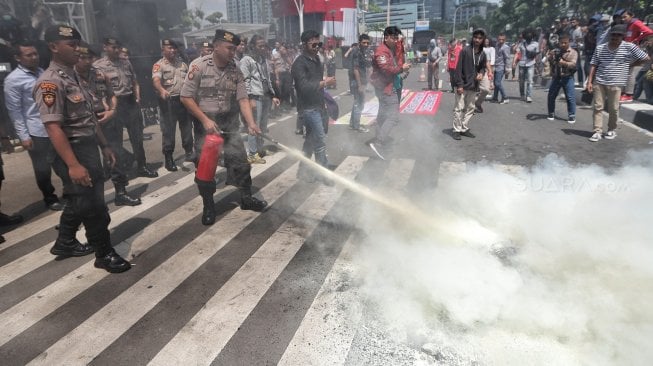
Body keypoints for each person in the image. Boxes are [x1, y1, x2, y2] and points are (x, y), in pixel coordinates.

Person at [33, 25, 130, 272]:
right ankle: (104, 254)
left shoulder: (75, 76)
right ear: (54, 47)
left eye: (78, 44)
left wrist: (104, 145)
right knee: (94, 206)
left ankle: (65, 241)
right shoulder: (50, 82)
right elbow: (54, 127)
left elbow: (89, 116)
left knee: (80, 199)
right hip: (71, 150)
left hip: (87, 145)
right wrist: (74, 165)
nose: (78, 49)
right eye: (72, 45)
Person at [181, 29, 268, 225]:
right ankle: (209, 206)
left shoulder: (235, 68)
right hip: (205, 123)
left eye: (234, 48)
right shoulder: (199, 66)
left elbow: (243, 99)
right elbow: (185, 97)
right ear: (216, 46)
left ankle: (246, 198)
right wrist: (204, 120)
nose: (232, 52)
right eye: (229, 48)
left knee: (241, 163)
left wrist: (251, 123)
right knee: (205, 169)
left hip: (228, 121)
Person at [75, 42, 141, 206]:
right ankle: (89, 201)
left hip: (105, 118)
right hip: (82, 123)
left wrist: (112, 110)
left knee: (115, 155)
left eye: (89, 57)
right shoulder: (68, 77)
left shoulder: (99, 74)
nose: (86, 61)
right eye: (82, 57)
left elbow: (112, 95)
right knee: (89, 163)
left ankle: (121, 192)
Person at [4, 40, 65, 211]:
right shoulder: (13, 80)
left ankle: (70, 192)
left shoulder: (42, 72)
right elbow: (14, 110)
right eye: (28, 55)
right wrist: (24, 136)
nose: (34, 57)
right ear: (18, 57)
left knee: (62, 163)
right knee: (43, 169)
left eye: (35, 54)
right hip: (36, 130)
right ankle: (50, 197)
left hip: (54, 127)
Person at [94, 37, 158, 178]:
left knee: (137, 138)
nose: (116, 50)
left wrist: (137, 97)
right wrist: (106, 106)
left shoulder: (125, 62)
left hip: (129, 102)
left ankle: (142, 166)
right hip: (114, 105)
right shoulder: (98, 66)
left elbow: (134, 81)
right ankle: (114, 169)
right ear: (105, 47)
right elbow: (99, 90)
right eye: (113, 47)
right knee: (115, 141)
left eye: (118, 47)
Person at [586, 24, 650, 142]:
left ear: (623, 36)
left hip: (616, 83)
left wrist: (632, 64)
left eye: (618, 35)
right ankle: (597, 131)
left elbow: (645, 58)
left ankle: (611, 129)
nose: (615, 37)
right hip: (600, 81)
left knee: (613, 109)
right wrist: (589, 81)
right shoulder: (601, 48)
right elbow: (594, 64)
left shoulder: (629, 47)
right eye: (613, 34)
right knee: (598, 107)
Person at [291, 30, 336, 184]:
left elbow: (316, 82)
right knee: (320, 140)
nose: (317, 47)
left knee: (310, 141)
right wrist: (325, 83)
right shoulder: (299, 63)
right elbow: (304, 87)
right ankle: (323, 173)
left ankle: (302, 170)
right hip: (307, 109)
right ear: (304, 44)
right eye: (314, 44)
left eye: (319, 44)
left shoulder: (317, 60)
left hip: (319, 105)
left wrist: (325, 96)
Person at [368, 26, 411, 160]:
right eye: (393, 37)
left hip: (391, 85)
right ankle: (379, 143)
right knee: (393, 117)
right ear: (386, 37)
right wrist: (401, 68)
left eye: (396, 37)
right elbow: (386, 69)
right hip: (385, 88)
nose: (395, 40)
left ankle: (379, 139)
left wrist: (402, 46)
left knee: (382, 115)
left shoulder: (392, 48)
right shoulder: (381, 51)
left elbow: (400, 53)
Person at [152, 39, 193, 171]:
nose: (172, 50)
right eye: (169, 48)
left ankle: (189, 152)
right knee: (169, 131)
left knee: (186, 128)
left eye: (174, 48)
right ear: (163, 50)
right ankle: (168, 158)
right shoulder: (159, 65)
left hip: (183, 101)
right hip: (168, 102)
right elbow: (156, 81)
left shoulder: (182, 64)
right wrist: (162, 90)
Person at [240, 34, 280, 164]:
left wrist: (272, 95)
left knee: (263, 126)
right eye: (260, 46)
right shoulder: (246, 60)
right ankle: (252, 153)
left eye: (264, 46)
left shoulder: (263, 59)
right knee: (254, 125)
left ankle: (260, 149)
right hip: (255, 97)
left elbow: (267, 79)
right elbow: (245, 81)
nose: (263, 48)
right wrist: (250, 98)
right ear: (252, 46)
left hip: (265, 96)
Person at [451, 28, 487, 141]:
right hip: (462, 84)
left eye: (480, 38)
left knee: (470, 108)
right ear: (473, 38)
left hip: (474, 85)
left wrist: (481, 73)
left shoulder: (483, 54)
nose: (477, 40)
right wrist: (460, 85)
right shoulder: (465, 50)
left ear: (483, 40)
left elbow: (483, 67)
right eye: (475, 37)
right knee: (459, 108)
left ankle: (464, 128)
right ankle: (456, 130)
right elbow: (458, 68)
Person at [619, 10, 653, 103]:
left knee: (629, 72)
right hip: (627, 50)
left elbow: (649, 32)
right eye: (622, 17)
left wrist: (636, 40)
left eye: (625, 17)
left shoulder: (636, 23)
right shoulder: (629, 25)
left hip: (633, 50)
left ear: (631, 16)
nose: (623, 19)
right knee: (625, 72)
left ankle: (629, 94)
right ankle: (624, 93)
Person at [546, 34, 578, 123]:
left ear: (569, 42)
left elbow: (573, 64)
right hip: (557, 77)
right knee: (551, 95)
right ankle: (551, 113)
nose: (563, 44)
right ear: (559, 43)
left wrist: (563, 62)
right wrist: (551, 56)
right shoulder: (556, 51)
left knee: (570, 97)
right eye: (561, 43)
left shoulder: (573, 52)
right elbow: (549, 61)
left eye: (565, 43)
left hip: (568, 77)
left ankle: (571, 115)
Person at [349, 34, 371, 133]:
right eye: (364, 42)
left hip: (361, 81)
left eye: (367, 43)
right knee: (359, 103)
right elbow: (356, 69)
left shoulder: (362, 52)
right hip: (357, 81)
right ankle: (356, 126)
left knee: (357, 102)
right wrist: (360, 85)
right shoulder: (357, 52)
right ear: (359, 43)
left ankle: (353, 123)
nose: (366, 44)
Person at [512, 29, 539, 102]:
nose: (529, 36)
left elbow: (536, 55)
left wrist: (536, 65)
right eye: (527, 35)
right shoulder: (521, 43)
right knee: (521, 81)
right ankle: (522, 95)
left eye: (530, 35)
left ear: (533, 36)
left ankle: (529, 96)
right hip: (522, 64)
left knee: (530, 81)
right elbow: (516, 51)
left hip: (531, 64)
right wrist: (514, 62)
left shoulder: (536, 44)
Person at [475, 37, 495, 113]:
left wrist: (490, 71)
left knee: (486, 89)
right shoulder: (469, 50)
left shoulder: (486, 50)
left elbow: (487, 62)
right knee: (472, 91)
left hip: (483, 71)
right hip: (472, 72)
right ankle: (470, 107)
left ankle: (478, 103)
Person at [491, 33, 510, 104]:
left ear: (505, 40)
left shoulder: (506, 47)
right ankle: (495, 98)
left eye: (503, 39)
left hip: (501, 67)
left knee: (498, 83)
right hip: (496, 66)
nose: (501, 41)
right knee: (495, 83)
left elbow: (507, 58)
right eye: (499, 39)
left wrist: (507, 68)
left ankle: (505, 97)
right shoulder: (496, 46)